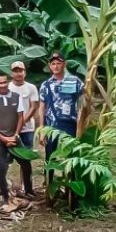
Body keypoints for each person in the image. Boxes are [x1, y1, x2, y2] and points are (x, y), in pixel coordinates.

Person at [0, 73, 34, 203]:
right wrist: (2, 138)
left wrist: (16, 135)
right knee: (1, 167)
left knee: (26, 163)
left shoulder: (16, 97)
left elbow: (20, 117)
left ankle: (28, 191)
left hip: (14, 137)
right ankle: (5, 195)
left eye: (5, 82)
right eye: (0, 83)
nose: (3, 85)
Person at [38, 52, 84, 188]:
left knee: (71, 156)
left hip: (70, 124)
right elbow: (42, 108)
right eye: (53, 63)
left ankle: (71, 186)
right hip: (52, 125)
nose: (56, 66)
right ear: (49, 66)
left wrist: (80, 127)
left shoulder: (75, 82)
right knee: (50, 156)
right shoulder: (46, 85)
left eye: (59, 63)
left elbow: (82, 105)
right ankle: (49, 184)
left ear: (64, 64)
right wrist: (41, 130)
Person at [8, 61, 39, 150]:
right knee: (10, 155)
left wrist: (22, 122)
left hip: (27, 127)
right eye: (16, 71)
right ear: (11, 73)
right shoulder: (7, 88)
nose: (18, 74)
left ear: (25, 73)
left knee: (27, 153)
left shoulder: (31, 88)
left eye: (21, 71)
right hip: (11, 128)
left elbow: (33, 107)